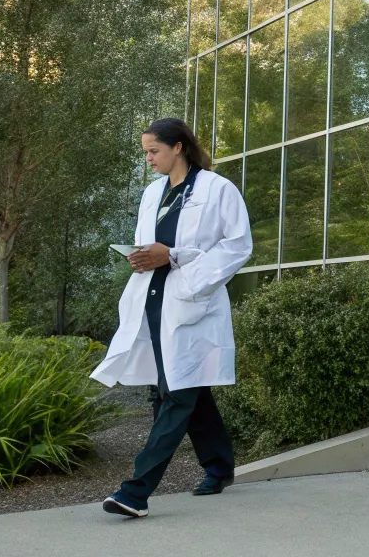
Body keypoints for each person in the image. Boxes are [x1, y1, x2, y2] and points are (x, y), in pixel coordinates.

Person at [91, 118, 252, 518]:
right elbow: (154, 245)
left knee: (176, 395)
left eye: (153, 151)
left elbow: (238, 247)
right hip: (155, 300)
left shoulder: (218, 189)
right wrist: (141, 256)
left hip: (193, 303)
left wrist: (174, 256)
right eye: (145, 151)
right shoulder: (152, 193)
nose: (148, 159)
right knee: (182, 388)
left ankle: (135, 491)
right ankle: (219, 468)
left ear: (178, 147)